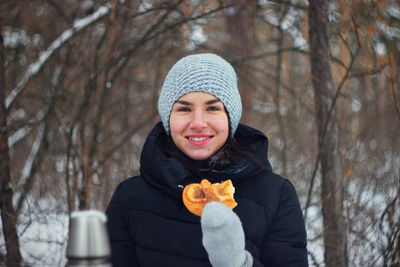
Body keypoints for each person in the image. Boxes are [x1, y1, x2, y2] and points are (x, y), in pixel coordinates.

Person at [106, 53, 308, 267]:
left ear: (231, 117)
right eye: (184, 109)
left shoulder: (276, 195)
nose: (198, 123)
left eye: (212, 108)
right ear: (168, 118)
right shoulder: (129, 198)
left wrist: (239, 263)